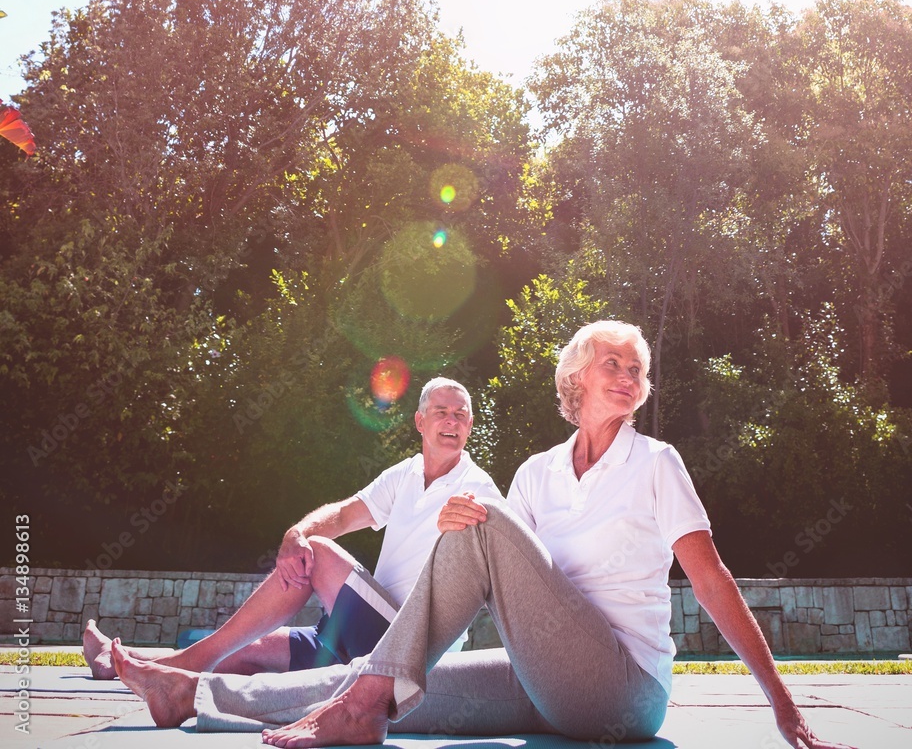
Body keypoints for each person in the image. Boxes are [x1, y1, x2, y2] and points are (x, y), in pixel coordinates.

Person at [111, 321, 855, 749]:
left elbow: (712, 580)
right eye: (612, 365)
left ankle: (362, 707)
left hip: (622, 695)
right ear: (577, 382)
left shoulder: (656, 463)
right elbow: (504, 579)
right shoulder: (535, 473)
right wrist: (458, 543)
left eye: (638, 368)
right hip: (545, 679)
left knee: (466, 539)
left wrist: (782, 705)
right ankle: (192, 692)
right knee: (389, 687)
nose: (629, 375)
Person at [85, 377, 501, 680]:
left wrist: (307, 545)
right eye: (441, 412)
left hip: (408, 643)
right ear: (419, 421)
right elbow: (341, 515)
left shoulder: (478, 488)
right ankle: (122, 662)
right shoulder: (405, 474)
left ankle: (184, 665)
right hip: (361, 629)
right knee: (247, 651)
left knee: (317, 553)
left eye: (461, 415)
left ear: (469, 425)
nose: (452, 421)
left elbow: (499, 566)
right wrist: (295, 534)